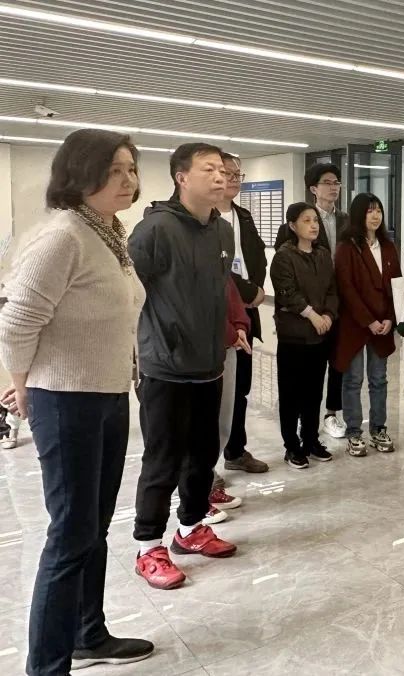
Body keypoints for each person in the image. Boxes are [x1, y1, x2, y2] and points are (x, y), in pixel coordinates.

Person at [0, 129, 154, 674]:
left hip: (107, 395)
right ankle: (46, 665)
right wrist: (22, 384)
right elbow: (16, 321)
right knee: (69, 534)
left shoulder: (109, 233)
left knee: (95, 525)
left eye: (131, 169)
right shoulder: (63, 235)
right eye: (114, 170)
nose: (128, 180)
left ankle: (90, 634)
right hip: (65, 400)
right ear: (79, 173)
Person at [129, 142, 237, 591]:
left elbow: (220, 291)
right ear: (181, 177)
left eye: (224, 170)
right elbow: (129, 294)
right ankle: (148, 546)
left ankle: (190, 528)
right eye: (209, 169)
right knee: (163, 458)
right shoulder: (154, 229)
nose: (221, 176)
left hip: (209, 363)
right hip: (164, 367)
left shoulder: (222, 231)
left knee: (203, 455)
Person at [274, 163, 346, 438]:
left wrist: (328, 313)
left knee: (329, 371)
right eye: (327, 182)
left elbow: (334, 282)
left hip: (331, 312)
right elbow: (286, 285)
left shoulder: (344, 224)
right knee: (296, 384)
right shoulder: (287, 247)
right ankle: (294, 437)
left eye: (336, 182)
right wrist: (311, 313)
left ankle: (323, 423)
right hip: (299, 324)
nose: (333, 187)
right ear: (313, 188)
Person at [271, 202, 339, 469]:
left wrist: (329, 315)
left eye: (315, 221)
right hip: (294, 337)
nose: (313, 225)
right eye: (306, 220)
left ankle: (310, 439)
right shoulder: (284, 257)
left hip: (320, 336)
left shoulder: (323, 254)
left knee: (313, 392)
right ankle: (292, 446)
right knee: (291, 394)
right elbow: (287, 293)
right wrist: (312, 315)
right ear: (292, 225)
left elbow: (332, 290)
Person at [335, 193, 400, 457]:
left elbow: (396, 285)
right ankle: (353, 432)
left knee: (379, 379)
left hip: (383, 323)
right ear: (358, 214)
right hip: (355, 323)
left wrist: (390, 318)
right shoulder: (347, 247)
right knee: (353, 379)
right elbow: (346, 288)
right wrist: (369, 320)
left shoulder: (388, 246)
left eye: (379, 211)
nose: (375, 216)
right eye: (370, 211)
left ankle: (378, 429)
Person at [218, 152, 270, 475]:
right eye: (227, 173)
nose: (234, 179)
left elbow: (258, 256)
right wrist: (248, 292)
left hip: (246, 314)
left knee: (241, 389)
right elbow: (219, 269)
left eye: (238, 174)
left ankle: (235, 450)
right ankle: (207, 467)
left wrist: (257, 288)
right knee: (216, 393)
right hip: (220, 316)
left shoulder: (244, 216)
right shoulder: (205, 219)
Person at [204, 278, 252, 525]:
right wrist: (230, 333)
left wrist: (240, 326)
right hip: (197, 350)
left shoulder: (216, 258)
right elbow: (197, 303)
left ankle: (208, 482)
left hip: (227, 346)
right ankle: (196, 500)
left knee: (223, 420)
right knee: (199, 426)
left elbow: (231, 293)